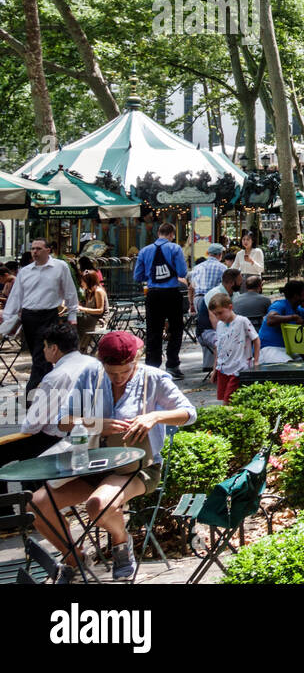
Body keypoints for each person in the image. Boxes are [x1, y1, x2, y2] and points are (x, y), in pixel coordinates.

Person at [30, 331, 195, 582]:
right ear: (101, 363)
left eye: (125, 372)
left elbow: (189, 413)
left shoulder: (154, 378)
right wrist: (96, 424)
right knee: (36, 506)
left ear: (136, 362)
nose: (118, 379)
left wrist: (154, 417)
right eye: (111, 373)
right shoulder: (90, 376)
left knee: (98, 505)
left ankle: (121, 544)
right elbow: (63, 421)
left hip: (138, 467)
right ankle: (75, 558)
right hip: (92, 464)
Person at [0, 322, 110, 466]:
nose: (44, 350)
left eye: (45, 346)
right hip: (89, 426)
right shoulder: (94, 363)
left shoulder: (55, 377)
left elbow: (32, 425)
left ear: (54, 348)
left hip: (59, 436)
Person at [0, 238, 80, 395]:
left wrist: (73, 316)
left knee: (41, 355)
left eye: (38, 248)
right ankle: (48, 390)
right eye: (33, 249)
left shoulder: (60, 267)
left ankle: (32, 393)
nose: (34, 252)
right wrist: (8, 320)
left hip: (49, 315)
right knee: (40, 356)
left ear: (48, 250)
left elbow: (70, 292)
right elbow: (16, 297)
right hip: (29, 317)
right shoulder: (25, 271)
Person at [133, 222, 188, 379]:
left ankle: (152, 365)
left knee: (153, 331)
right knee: (176, 329)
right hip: (171, 293)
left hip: (153, 294)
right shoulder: (175, 248)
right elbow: (182, 272)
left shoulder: (145, 251)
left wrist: (151, 277)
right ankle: (172, 364)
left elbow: (137, 276)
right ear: (172, 234)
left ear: (158, 233)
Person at [207, 292, 259, 403]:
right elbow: (218, 347)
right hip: (223, 367)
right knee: (225, 399)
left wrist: (256, 361)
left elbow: (256, 339)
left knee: (229, 400)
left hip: (239, 367)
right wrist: (215, 369)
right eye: (215, 314)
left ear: (230, 307)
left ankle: (227, 419)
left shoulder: (242, 321)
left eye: (220, 313)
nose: (218, 317)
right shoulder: (220, 325)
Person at [258, 280, 304, 364]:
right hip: (269, 348)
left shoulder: (300, 310)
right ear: (296, 296)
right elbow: (270, 319)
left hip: (289, 350)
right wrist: (293, 318)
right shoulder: (279, 305)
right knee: (288, 366)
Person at [188, 242, 228, 314]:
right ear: (220, 255)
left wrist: (191, 304)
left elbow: (191, 288)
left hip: (198, 300)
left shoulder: (197, 267)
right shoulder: (223, 268)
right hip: (214, 300)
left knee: (202, 323)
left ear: (209, 254)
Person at [76, 269, 109, 352]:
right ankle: (81, 347)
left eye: (83, 281)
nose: (82, 283)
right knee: (73, 321)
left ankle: (80, 348)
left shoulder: (98, 291)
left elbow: (100, 310)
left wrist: (83, 308)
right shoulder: (89, 292)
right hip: (90, 319)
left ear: (89, 281)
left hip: (99, 321)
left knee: (73, 323)